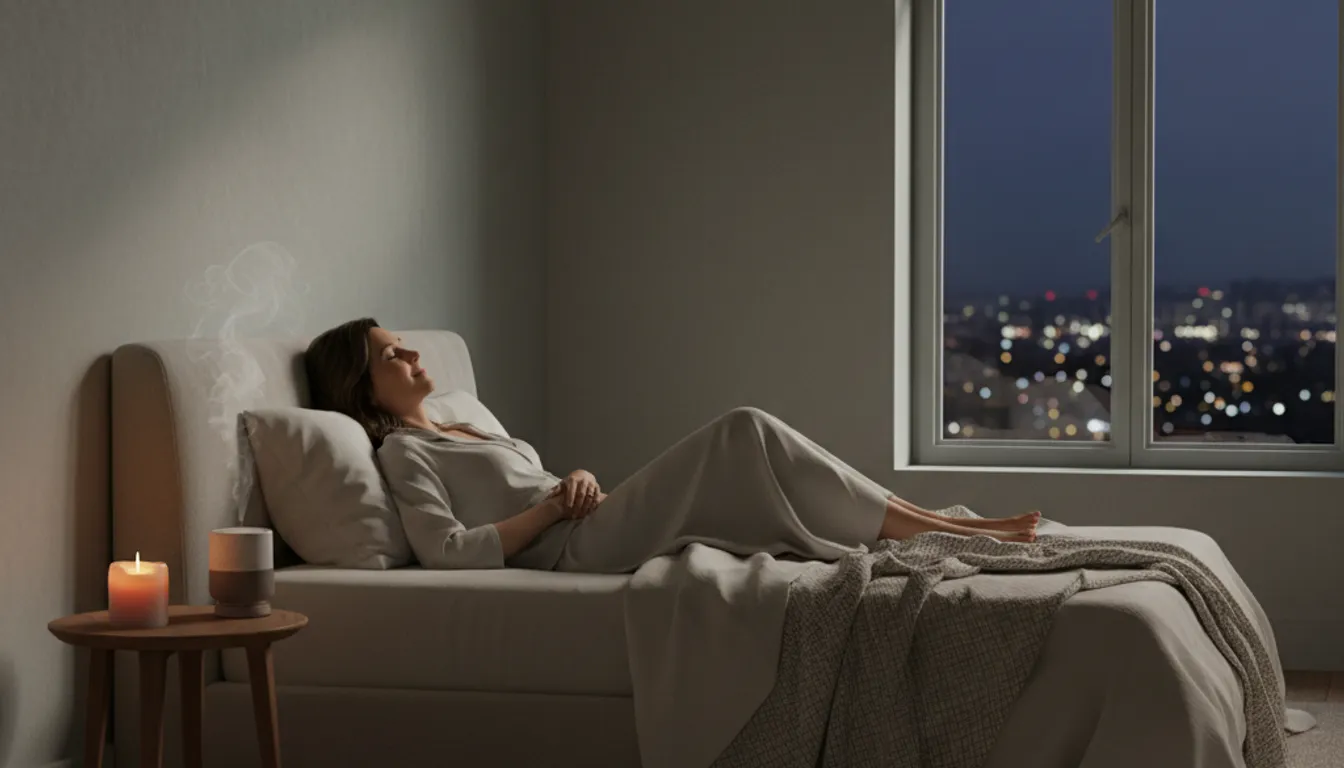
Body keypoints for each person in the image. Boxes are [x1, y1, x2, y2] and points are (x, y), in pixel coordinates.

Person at [304, 318, 1039, 572]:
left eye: (404, 345)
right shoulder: (404, 454)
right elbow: (448, 552)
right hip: (571, 552)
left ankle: (957, 528)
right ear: (362, 389)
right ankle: (957, 530)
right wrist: (555, 511)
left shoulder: (461, 420)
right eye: (389, 356)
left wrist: (576, 479)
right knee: (744, 431)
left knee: (755, 446)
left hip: (587, 514)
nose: (408, 357)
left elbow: (540, 476)